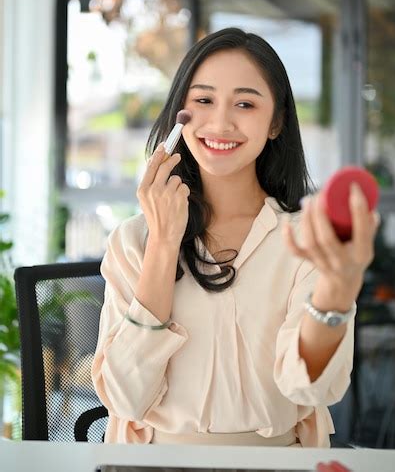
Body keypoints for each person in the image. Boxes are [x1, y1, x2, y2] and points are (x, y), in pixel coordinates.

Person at [91, 27, 379, 446]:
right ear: (180, 115)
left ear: (276, 121)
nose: (221, 122)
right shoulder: (134, 240)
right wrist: (163, 243)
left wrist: (336, 294)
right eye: (204, 100)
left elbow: (309, 389)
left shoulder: (305, 240)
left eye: (245, 103)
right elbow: (125, 398)